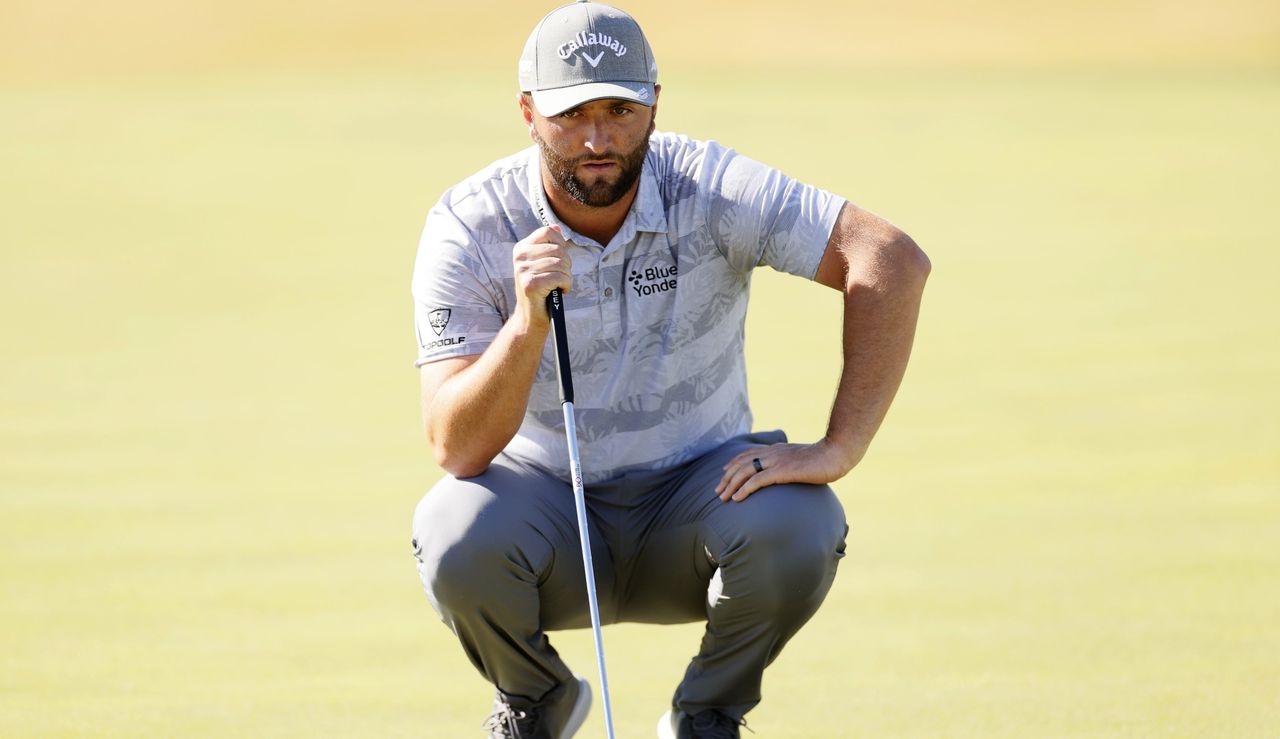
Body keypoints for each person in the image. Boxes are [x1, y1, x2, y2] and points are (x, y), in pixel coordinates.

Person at [409, 2, 930, 737]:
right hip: (548, 513)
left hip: (695, 499)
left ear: (656, 102)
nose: (598, 138)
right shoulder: (470, 223)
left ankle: (707, 715)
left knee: (802, 520)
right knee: (453, 528)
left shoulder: (709, 185)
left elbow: (890, 260)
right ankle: (536, 699)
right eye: (571, 114)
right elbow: (455, 446)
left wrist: (837, 448)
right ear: (527, 113)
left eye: (620, 109)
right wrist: (526, 323)